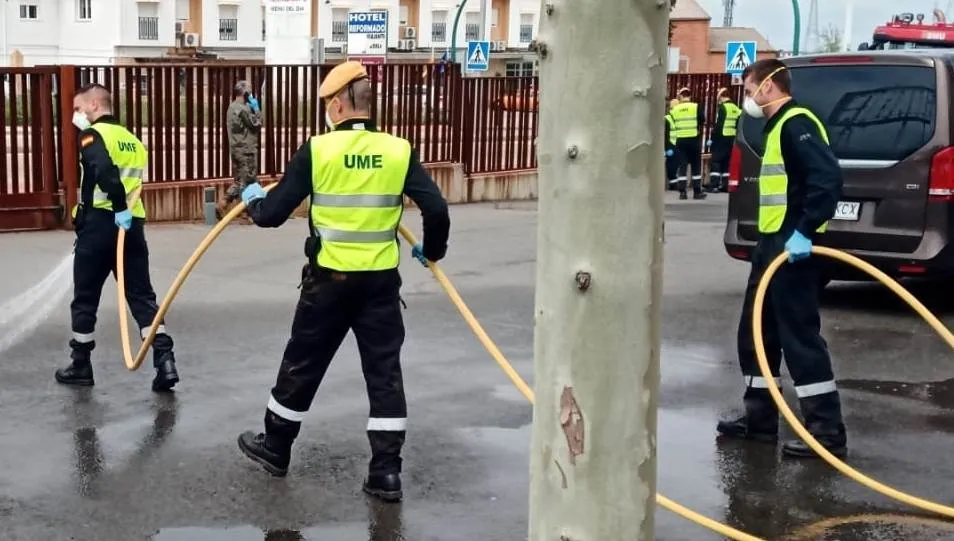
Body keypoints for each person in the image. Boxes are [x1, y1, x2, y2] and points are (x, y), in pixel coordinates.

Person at [234, 61, 451, 502]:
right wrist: (432, 252)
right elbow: (437, 209)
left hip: (328, 283)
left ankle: (275, 447)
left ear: (336, 104)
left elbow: (273, 215)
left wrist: (254, 200)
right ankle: (386, 473)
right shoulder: (398, 150)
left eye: (326, 106)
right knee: (385, 374)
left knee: (303, 363)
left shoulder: (317, 150)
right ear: (367, 106)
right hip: (379, 286)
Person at [715, 58, 846, 459]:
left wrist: (805, 231)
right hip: (771, 247)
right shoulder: (775, 127)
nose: (746, 96)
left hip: (793, 249)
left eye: (748, 87)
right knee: (756, 334)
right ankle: (759, 422)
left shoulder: (796, 123)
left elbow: (827, 180)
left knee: (799, 338)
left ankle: (826, 434)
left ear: (769, 86)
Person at [56, 84, 180, 392]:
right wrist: (126, 212)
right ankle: (164, 360)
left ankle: (81, 364)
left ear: (95, 104)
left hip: (101, 224)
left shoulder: (93, 136)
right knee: (141, 296)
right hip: (132, 227)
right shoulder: (133, 141)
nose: (77, 115)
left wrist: (118, 207)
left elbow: (104, 171)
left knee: (85, 296)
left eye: (78, 108)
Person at [217, 80, 262, 219]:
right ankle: (234, 207)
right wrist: (257, 110)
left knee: (241, 179)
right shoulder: (243, 109)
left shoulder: (232, 107)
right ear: (245, 93)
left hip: (236, 148)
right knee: (247, 180)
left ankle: (232, 206)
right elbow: (256, 124)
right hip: (246, 149)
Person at [670, 87, 706, 200]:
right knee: (696, 165)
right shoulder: (696, 106)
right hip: (694, 139)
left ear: (680, 96)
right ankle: (697, 192)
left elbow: (673, 122)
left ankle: (682, 192)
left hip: (680, 140)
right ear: (690, 96)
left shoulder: (675, 109)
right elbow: (702, 120)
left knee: (682, 166)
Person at [707, 87, 742, 193]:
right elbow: (737, 125)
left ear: (721, 97)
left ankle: (714, 185)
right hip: (731, 138)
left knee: (716, 161)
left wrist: (712, 139)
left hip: (721, 138)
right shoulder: (736, 108)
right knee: (727, 162)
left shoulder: (723, 108)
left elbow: (719, 125)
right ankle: (726, 185)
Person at [664, 99, 680, 191]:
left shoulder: (672, 118)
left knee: (674, 165)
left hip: (675, 145)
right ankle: (674, 184)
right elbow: (666, 135)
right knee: (672, 165)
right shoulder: (668, 118)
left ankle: (674, 183)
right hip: (673, 145)